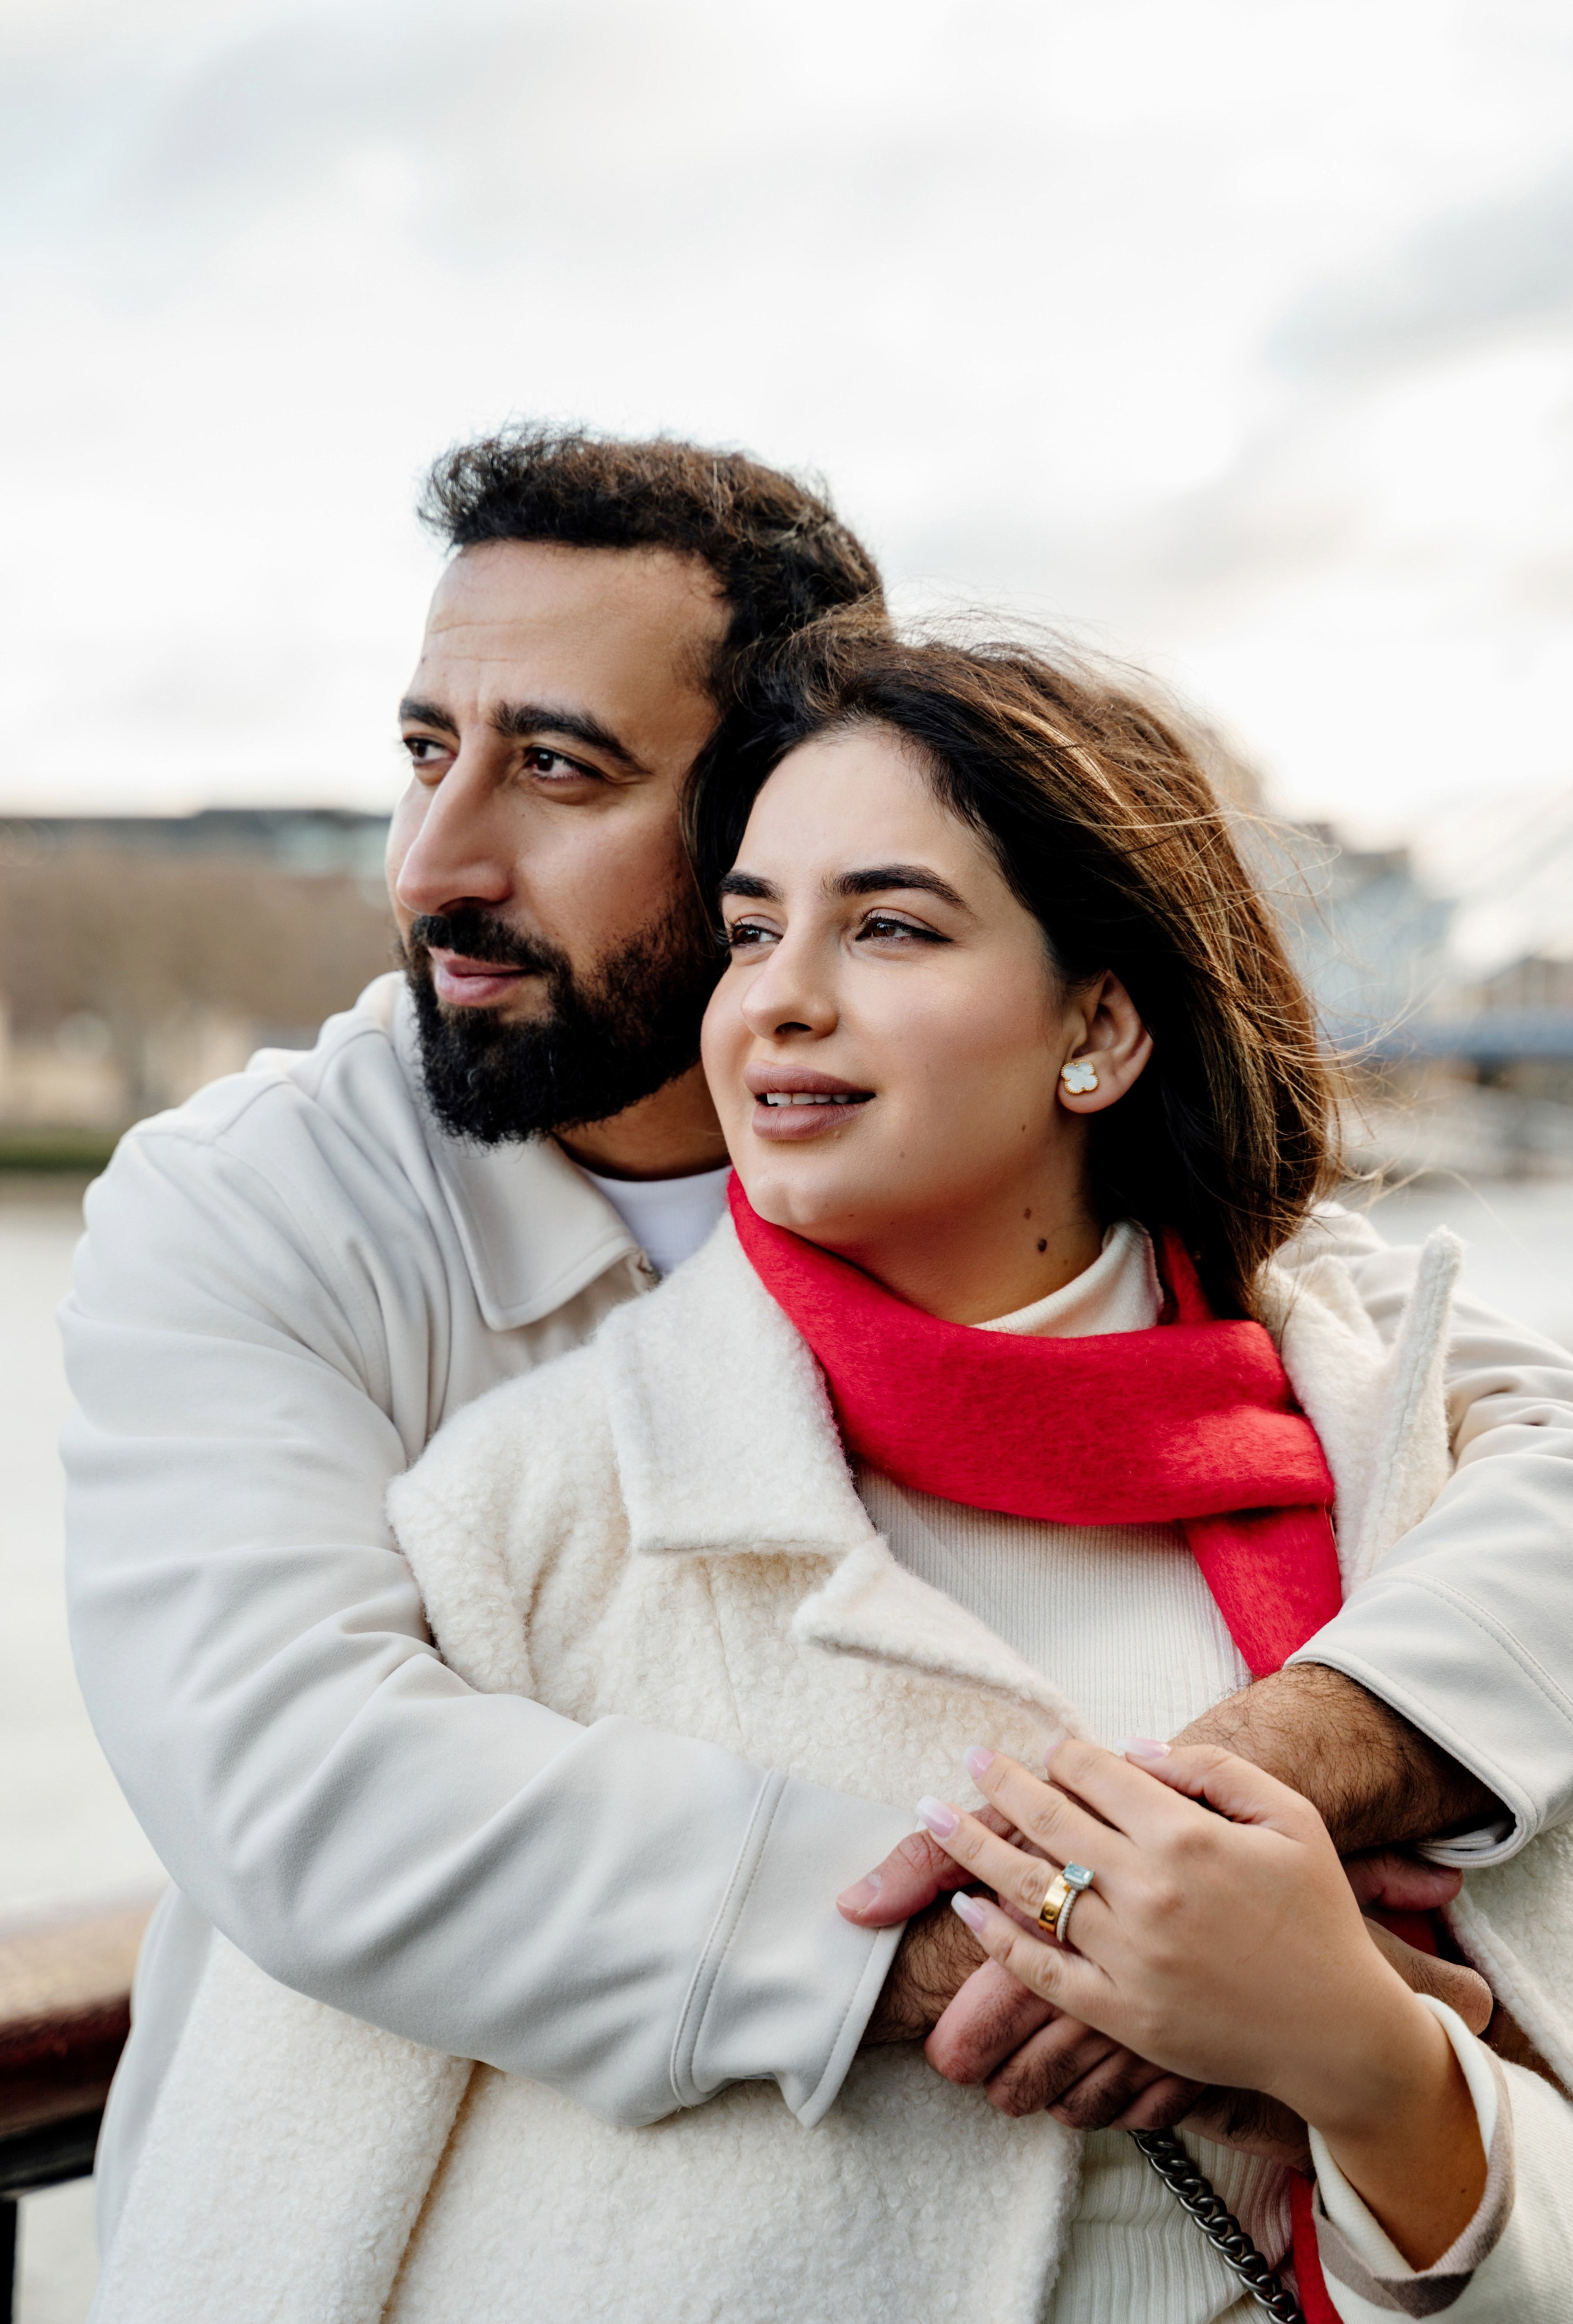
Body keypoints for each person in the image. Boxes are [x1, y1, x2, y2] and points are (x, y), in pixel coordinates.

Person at [63, 431, 1573, 2263]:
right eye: (425, 753)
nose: (436, 861)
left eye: (556, 768)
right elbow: (307, 1793)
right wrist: (1089, 1938)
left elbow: (1506, 1435)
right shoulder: (258, 1202)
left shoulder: (1060, 1192)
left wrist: (1282, 1799)